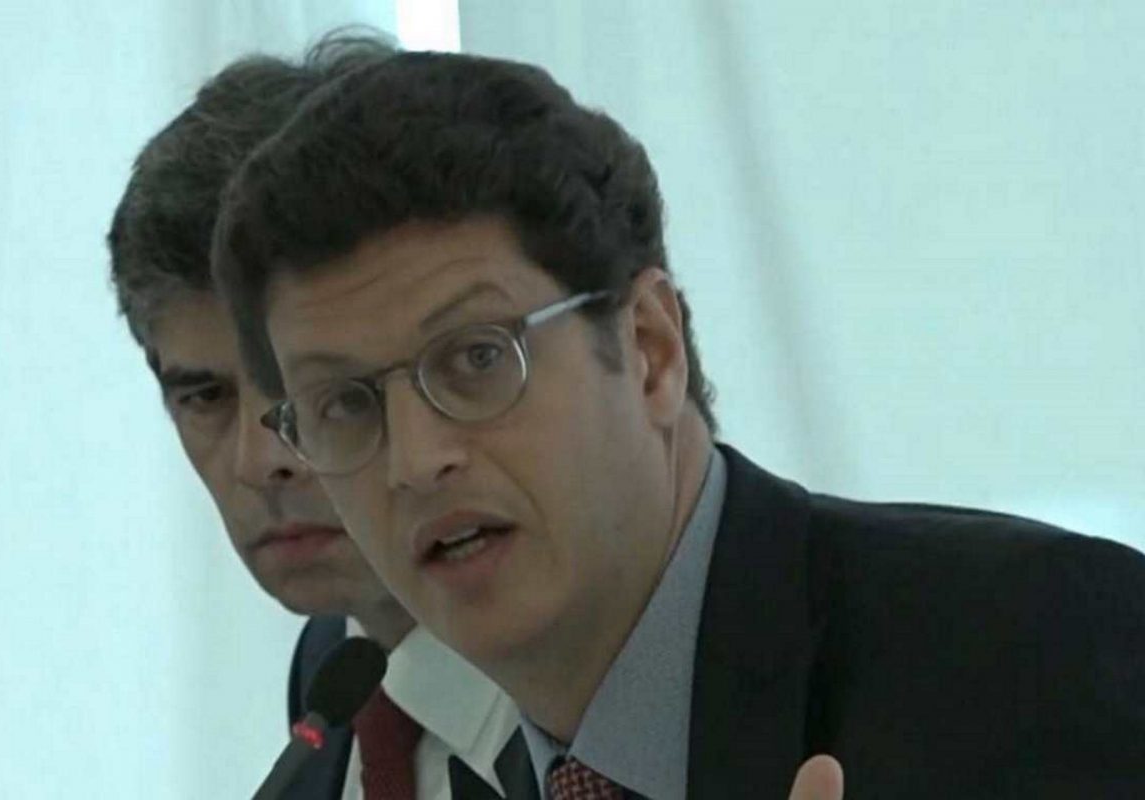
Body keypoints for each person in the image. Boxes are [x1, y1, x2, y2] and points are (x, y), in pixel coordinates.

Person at [211, 49, 1145, 799]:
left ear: (651, 350)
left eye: (478, 358)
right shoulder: (469, 760)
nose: (415, 461)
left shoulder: (1045, 650)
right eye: (344, 404)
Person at [107, 36, 533, 800]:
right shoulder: (334, 669)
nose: (260, 459)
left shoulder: (615, 682)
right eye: (205, 397)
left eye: (315, 388)